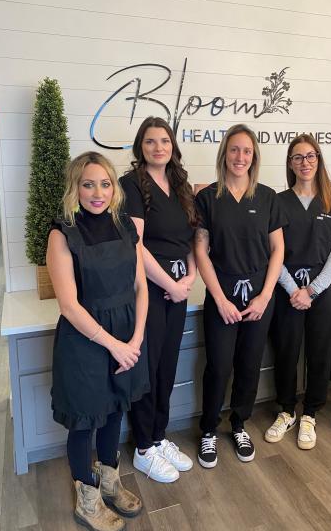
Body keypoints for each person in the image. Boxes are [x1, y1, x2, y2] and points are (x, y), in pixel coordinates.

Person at [47, 151, 148, 531]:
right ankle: (87, 500)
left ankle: (109, 481)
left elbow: (140, 286)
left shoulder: (125, 226)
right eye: (88, 184)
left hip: (126, 334)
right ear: (76, 187)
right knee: (84, 422)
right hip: (85, 340)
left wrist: (135, 338)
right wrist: (115, 345)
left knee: (114, 411)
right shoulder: (63, 233)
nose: (97, 192)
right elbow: (70, 306)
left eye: (105, 183)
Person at [194, 123, 286, 468]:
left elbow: (278, 250)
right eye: (234, 149)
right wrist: (219, 298)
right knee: (218, 366)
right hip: (222, 296)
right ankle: (208, 429)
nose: (240, 157)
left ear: (254, 157)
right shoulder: (207, 198)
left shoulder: (267, 197)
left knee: (249, 364)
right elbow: (201, 251)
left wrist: (264, 297)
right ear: (224, 154)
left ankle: (238, 423)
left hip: (260, 297)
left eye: (247, 151)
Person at [119, 116, 198, 483]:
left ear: (172, 145)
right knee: (147, 369)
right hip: (149, 289)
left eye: (164, 141)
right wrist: (170, 282)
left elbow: (193, 237)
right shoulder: (131, 184)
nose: (158, 148)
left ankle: (160, 435)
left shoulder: (180, 183)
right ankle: (143, 447)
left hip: (178, 289)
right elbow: (136, 244)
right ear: (141, 147)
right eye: (150, 142)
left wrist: (190, 277)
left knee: (167, 365)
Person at [265, 134, 331, 449]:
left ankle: (310, 414)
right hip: (287, 289)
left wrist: (313, 290)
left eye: (311, 156)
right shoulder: (278, 201)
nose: (305, 162)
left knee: (320, 353)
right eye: (298, 157)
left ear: (318, 160)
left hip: (324, 291)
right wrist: (293, 289)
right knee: (286, 353)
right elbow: (273, 250)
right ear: (290, 163)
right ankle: (287, 410)